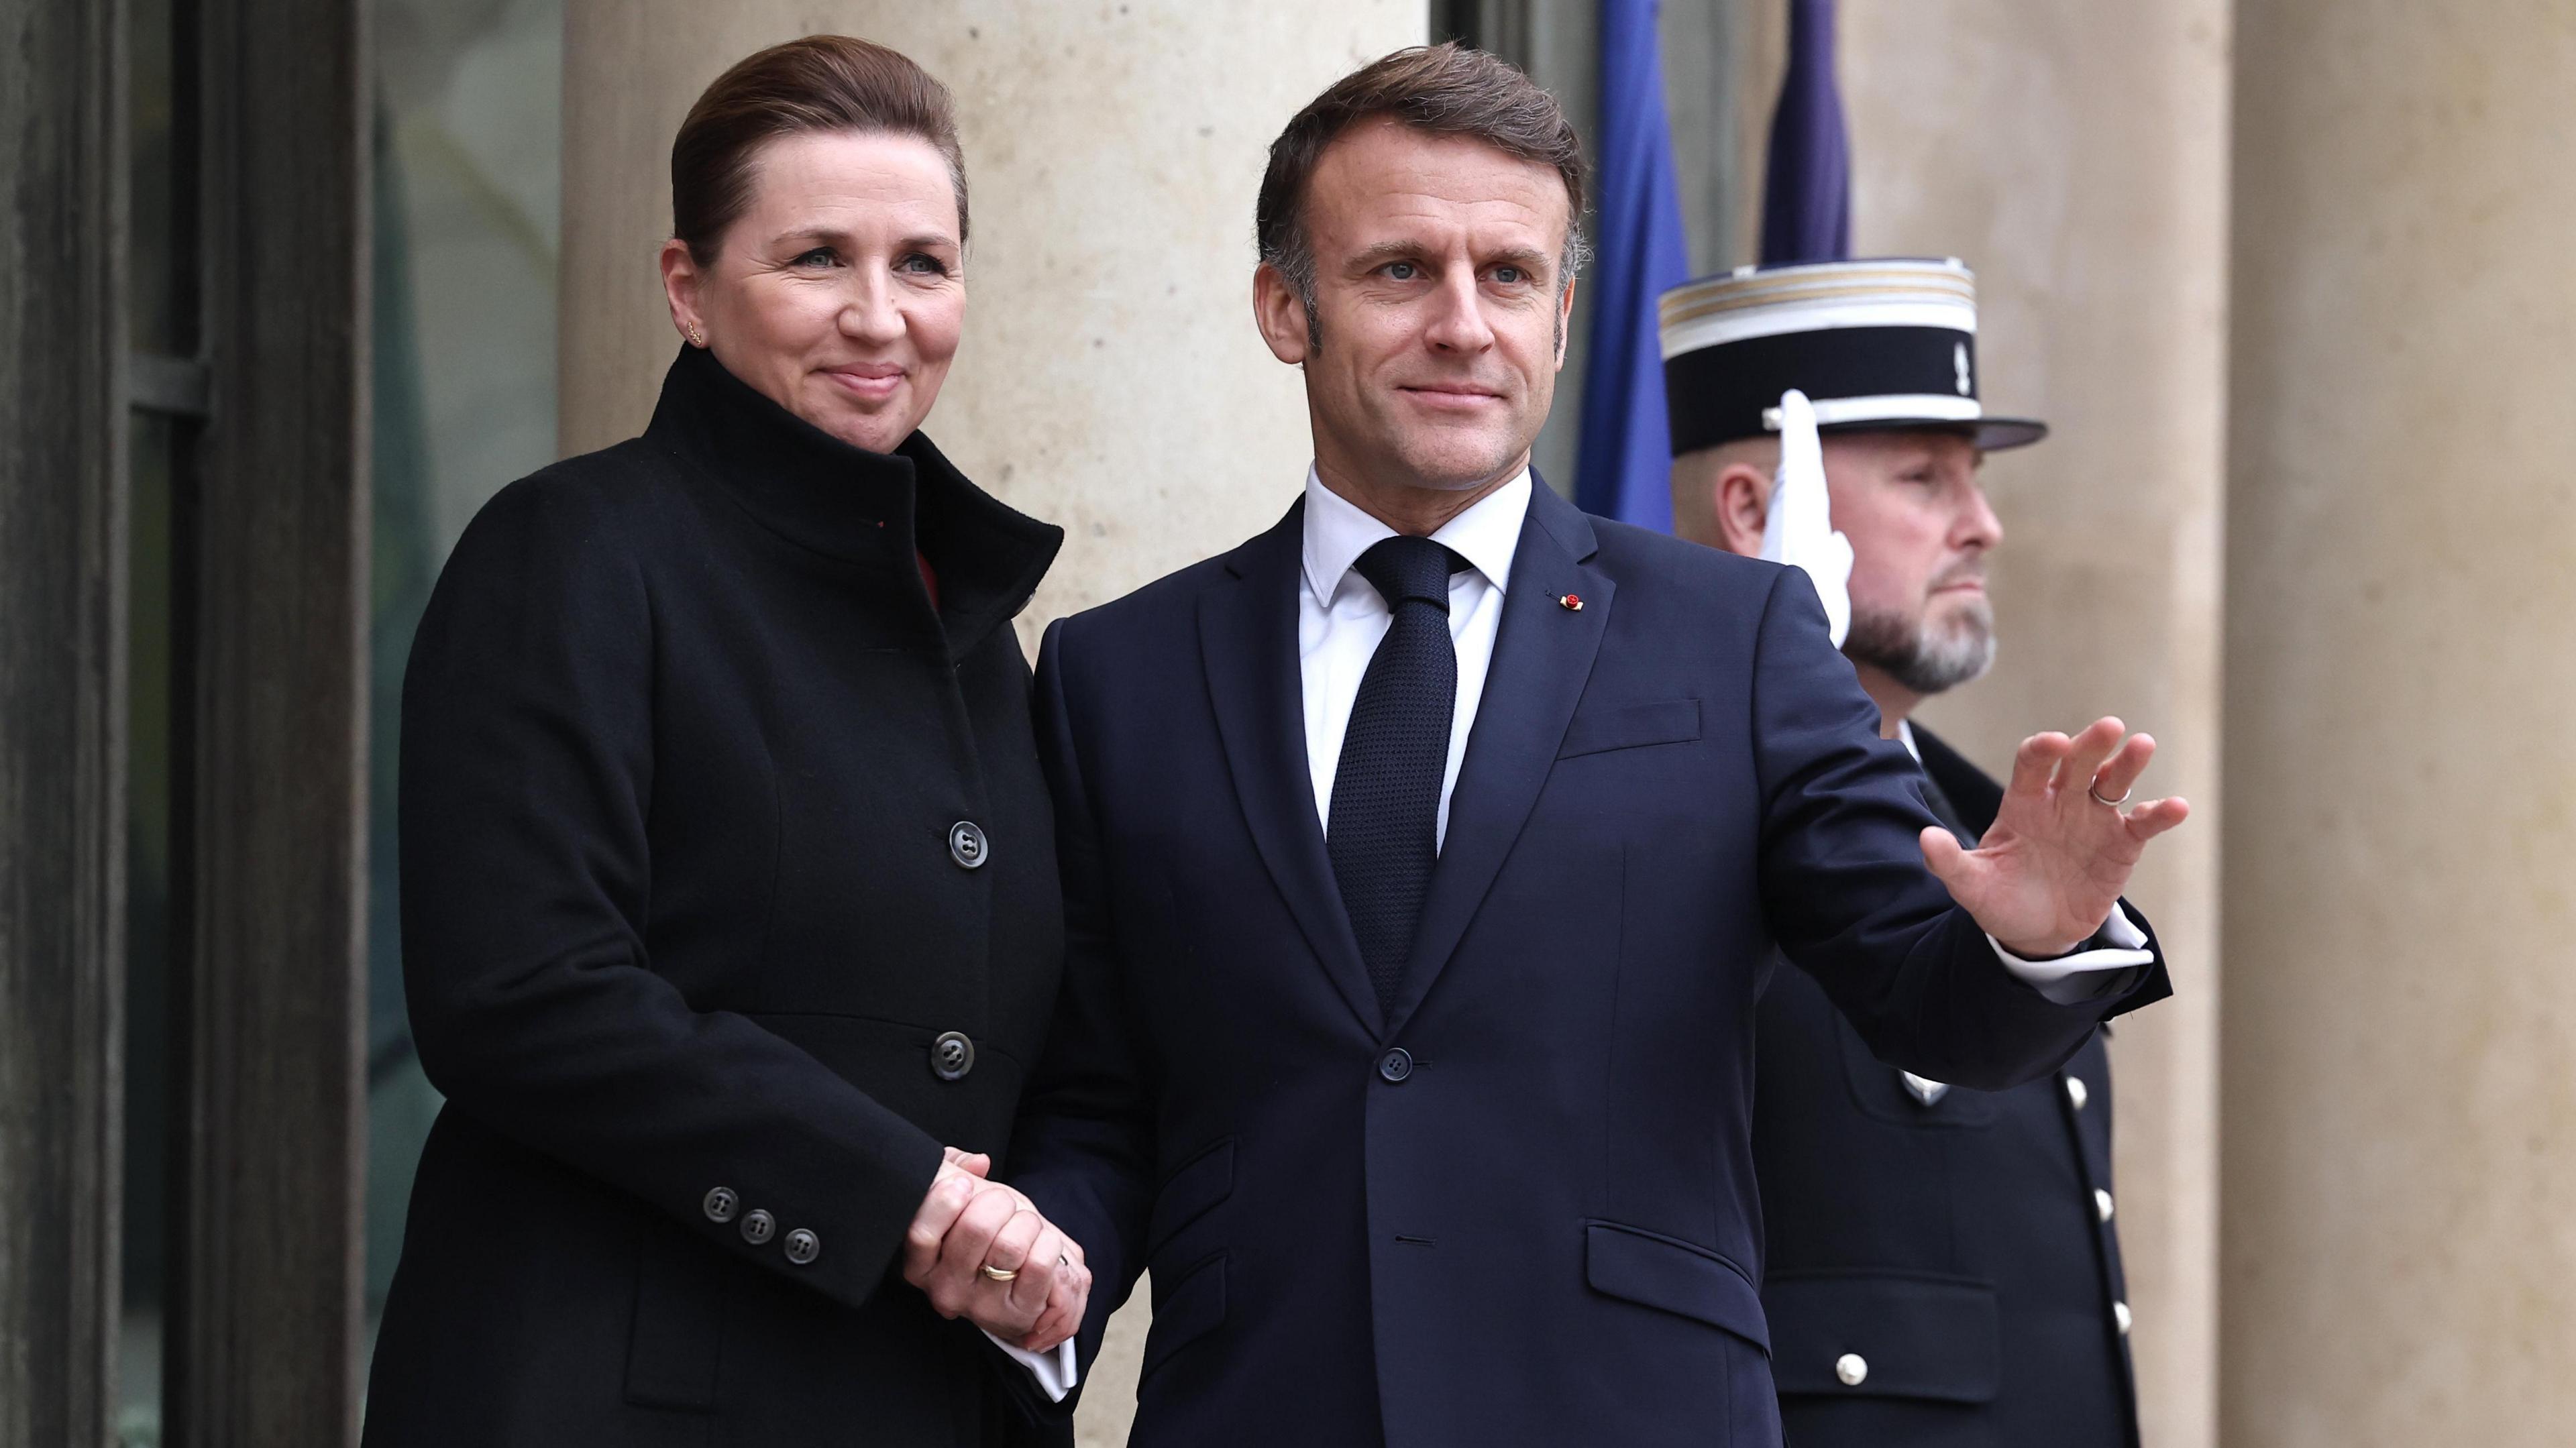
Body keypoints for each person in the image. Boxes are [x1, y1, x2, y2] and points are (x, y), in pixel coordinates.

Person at [906, 44, 2186, 1447]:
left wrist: (2039, 941)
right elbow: (1106, 1097)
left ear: (1564, 320)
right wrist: (1046, 1279)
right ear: (1287, 307)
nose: (1464, 323)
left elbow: (1919, 990)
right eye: (1401, 270)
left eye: (1509, 276)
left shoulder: (1737, 637)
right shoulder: (1119, 674)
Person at [364, 36, 1088, 1447]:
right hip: (619, 1396)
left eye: (923, 265)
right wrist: (914, 1200)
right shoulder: (572, 550)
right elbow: (521, 992)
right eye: (815, 258)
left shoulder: (965, 618)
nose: (879, 318)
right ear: (688, 290)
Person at [1667, 257, 2146, 1447]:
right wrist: (1777, 669)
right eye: (1925, 478)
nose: (1983, 523)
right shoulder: (1664, 806)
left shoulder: (1974, 812)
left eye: (1974, 479)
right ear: (1754, 512)